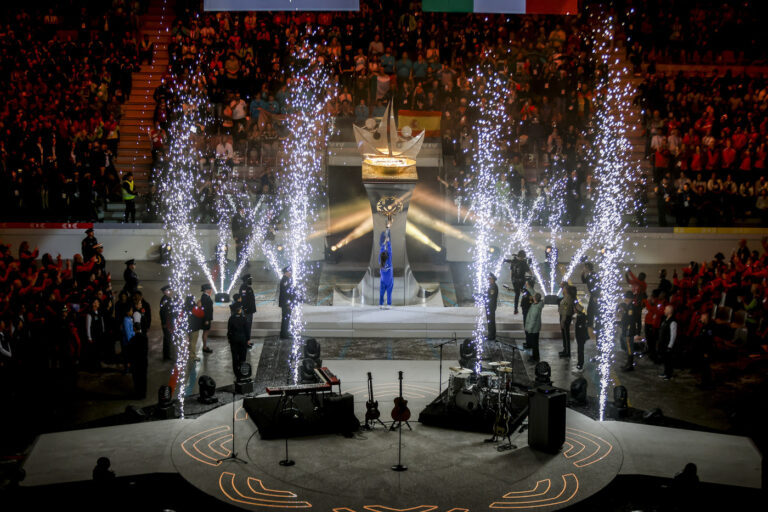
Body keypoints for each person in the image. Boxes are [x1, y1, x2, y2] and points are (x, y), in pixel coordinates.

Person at [126, 311, 148, 398]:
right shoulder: (144, 338)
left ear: (134, 329)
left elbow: (130, 352)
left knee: (137, 378)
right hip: (143, 361)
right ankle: (143, 393)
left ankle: (138, 393)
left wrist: (129, 362)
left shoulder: (132, 340)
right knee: (143, 378)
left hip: (136, 363)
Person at [227, 301, 249, 379]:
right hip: (242, 339)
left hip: (234, 339)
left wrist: (229, 338)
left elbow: (229, 330)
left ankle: (236, 373)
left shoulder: (231, 318)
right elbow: (247, 330)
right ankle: (242, 372)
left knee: (234, 357)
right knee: (242, 357)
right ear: (239, 309)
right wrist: (248, 339)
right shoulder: (244, 318)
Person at [503, 250, 529, 314]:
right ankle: (524, 306)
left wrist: (512, 279)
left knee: (517, 294)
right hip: (521, 280)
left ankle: (515, 309)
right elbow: (528, 270)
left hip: (515, 280)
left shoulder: (513, 262)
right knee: (525, 292)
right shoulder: (523, 262)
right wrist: (532, 275)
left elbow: (511, 271)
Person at [657, 304, 677, 380]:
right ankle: (666, 372)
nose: (664, 311)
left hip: (667, 344)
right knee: (665, 359)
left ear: (669, 311)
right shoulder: (665, 320)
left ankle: (669, 374)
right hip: (663, 343)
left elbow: (673, 335)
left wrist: (670, 346)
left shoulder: (673, 322)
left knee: (668, 360)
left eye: (665, 309)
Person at [525, 293, 544, 362]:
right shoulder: (538, 304)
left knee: (534, 344)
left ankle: (535, 358)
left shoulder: (535, 308)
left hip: (533, 329)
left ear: (535, 298)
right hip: (535, 328)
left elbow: (533, 320)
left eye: (533, 296)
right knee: (535, 343)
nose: (532, 297)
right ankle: (536, 356)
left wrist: (529, 329)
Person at [238, 274, 256, 345]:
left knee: (248, 326)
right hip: (247, 310)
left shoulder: (247, 287)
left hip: (249, 310)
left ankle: (247, 341)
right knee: (247, 326)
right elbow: (244, 299)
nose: (251, 280)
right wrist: (245, 308)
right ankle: (245, 342)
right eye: (250, 279)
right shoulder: (244, 287)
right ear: (247, 279)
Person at [558, 284, 575, 358]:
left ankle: (567, 352)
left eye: (564, 289)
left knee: (566, 335)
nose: (562, 290)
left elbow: (565, 310)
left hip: (565, 318)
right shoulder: (567, 298)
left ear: (566, 291)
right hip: (565, 317)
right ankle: (565, 350)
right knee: (565, 335)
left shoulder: (567, 299)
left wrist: (563, 320)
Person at [279, 266, 295, 339]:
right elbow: (285, 294)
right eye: (290, 272)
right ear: (286, 272)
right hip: (286, 304)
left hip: (287, 303)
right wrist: (288, 304)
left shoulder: (287, 279)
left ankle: (285, 332)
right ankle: (284, 334)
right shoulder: (285, 280)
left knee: (287, 318)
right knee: (285, 319)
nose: (291, 273)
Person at [379, 228, 393, 309]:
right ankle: (388, 305)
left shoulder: (380, 261)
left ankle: (381, 304)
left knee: (381, 292)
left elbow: (381, 252)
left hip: (383, 280)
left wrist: (383, 244)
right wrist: (388, 242)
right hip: (390, 281)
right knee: (389, 293)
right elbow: (390, 251)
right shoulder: (389, 261)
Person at [581, 262, 598, 329]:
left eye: (585, 267)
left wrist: (595, 296)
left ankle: (595, 324)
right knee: (590, 310)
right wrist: (582, 274)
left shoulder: (593, 275)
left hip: (595, 295)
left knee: (594, 310)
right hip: (593, 295)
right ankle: (590, 323)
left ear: (588, 268)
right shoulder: (589, 275)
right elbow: (584, 281)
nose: (584, 268)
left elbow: (596, 286)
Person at [159, 285, 173, 360]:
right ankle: (166, 355)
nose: (170, 292)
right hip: (167, 322)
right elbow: (162, 312)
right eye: (168, 290)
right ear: (165, 291)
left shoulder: (168, 299)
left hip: (169, 321)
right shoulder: (164, 299)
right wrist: (164, 323)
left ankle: (167, 354)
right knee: (167, 338)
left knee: (168, 338)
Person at [574, 301, 589, 370]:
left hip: (581, 337)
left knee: (580, 351)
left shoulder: (581, 318)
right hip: (580, 337)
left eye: (574, 308)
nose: (573, 309)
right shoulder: (581, 316)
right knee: (580, 350)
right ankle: (580, 363)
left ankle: (580, 364)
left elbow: (581, 328)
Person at [200, 283, 214, 354]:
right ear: (206, 290)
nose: (210, 290)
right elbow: (205, 309)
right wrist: (206, 319)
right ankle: (204, 347)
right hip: (206, 318)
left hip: (207, 318)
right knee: (205, 332)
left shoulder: (206, 296)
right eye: (209, 289)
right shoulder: (205, 297)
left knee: (206, 332)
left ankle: (205, 346)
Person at [485, 273, 498, 340]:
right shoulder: (491, 286)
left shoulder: (493, 287)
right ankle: (491, 334)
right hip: (489, 306)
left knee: (491, 321)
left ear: (492, 279)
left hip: (491, 306)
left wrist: (483, 296)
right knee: (490, 321)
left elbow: (490, 297)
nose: (488, 280)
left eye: (489, 278)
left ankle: (492, 335)